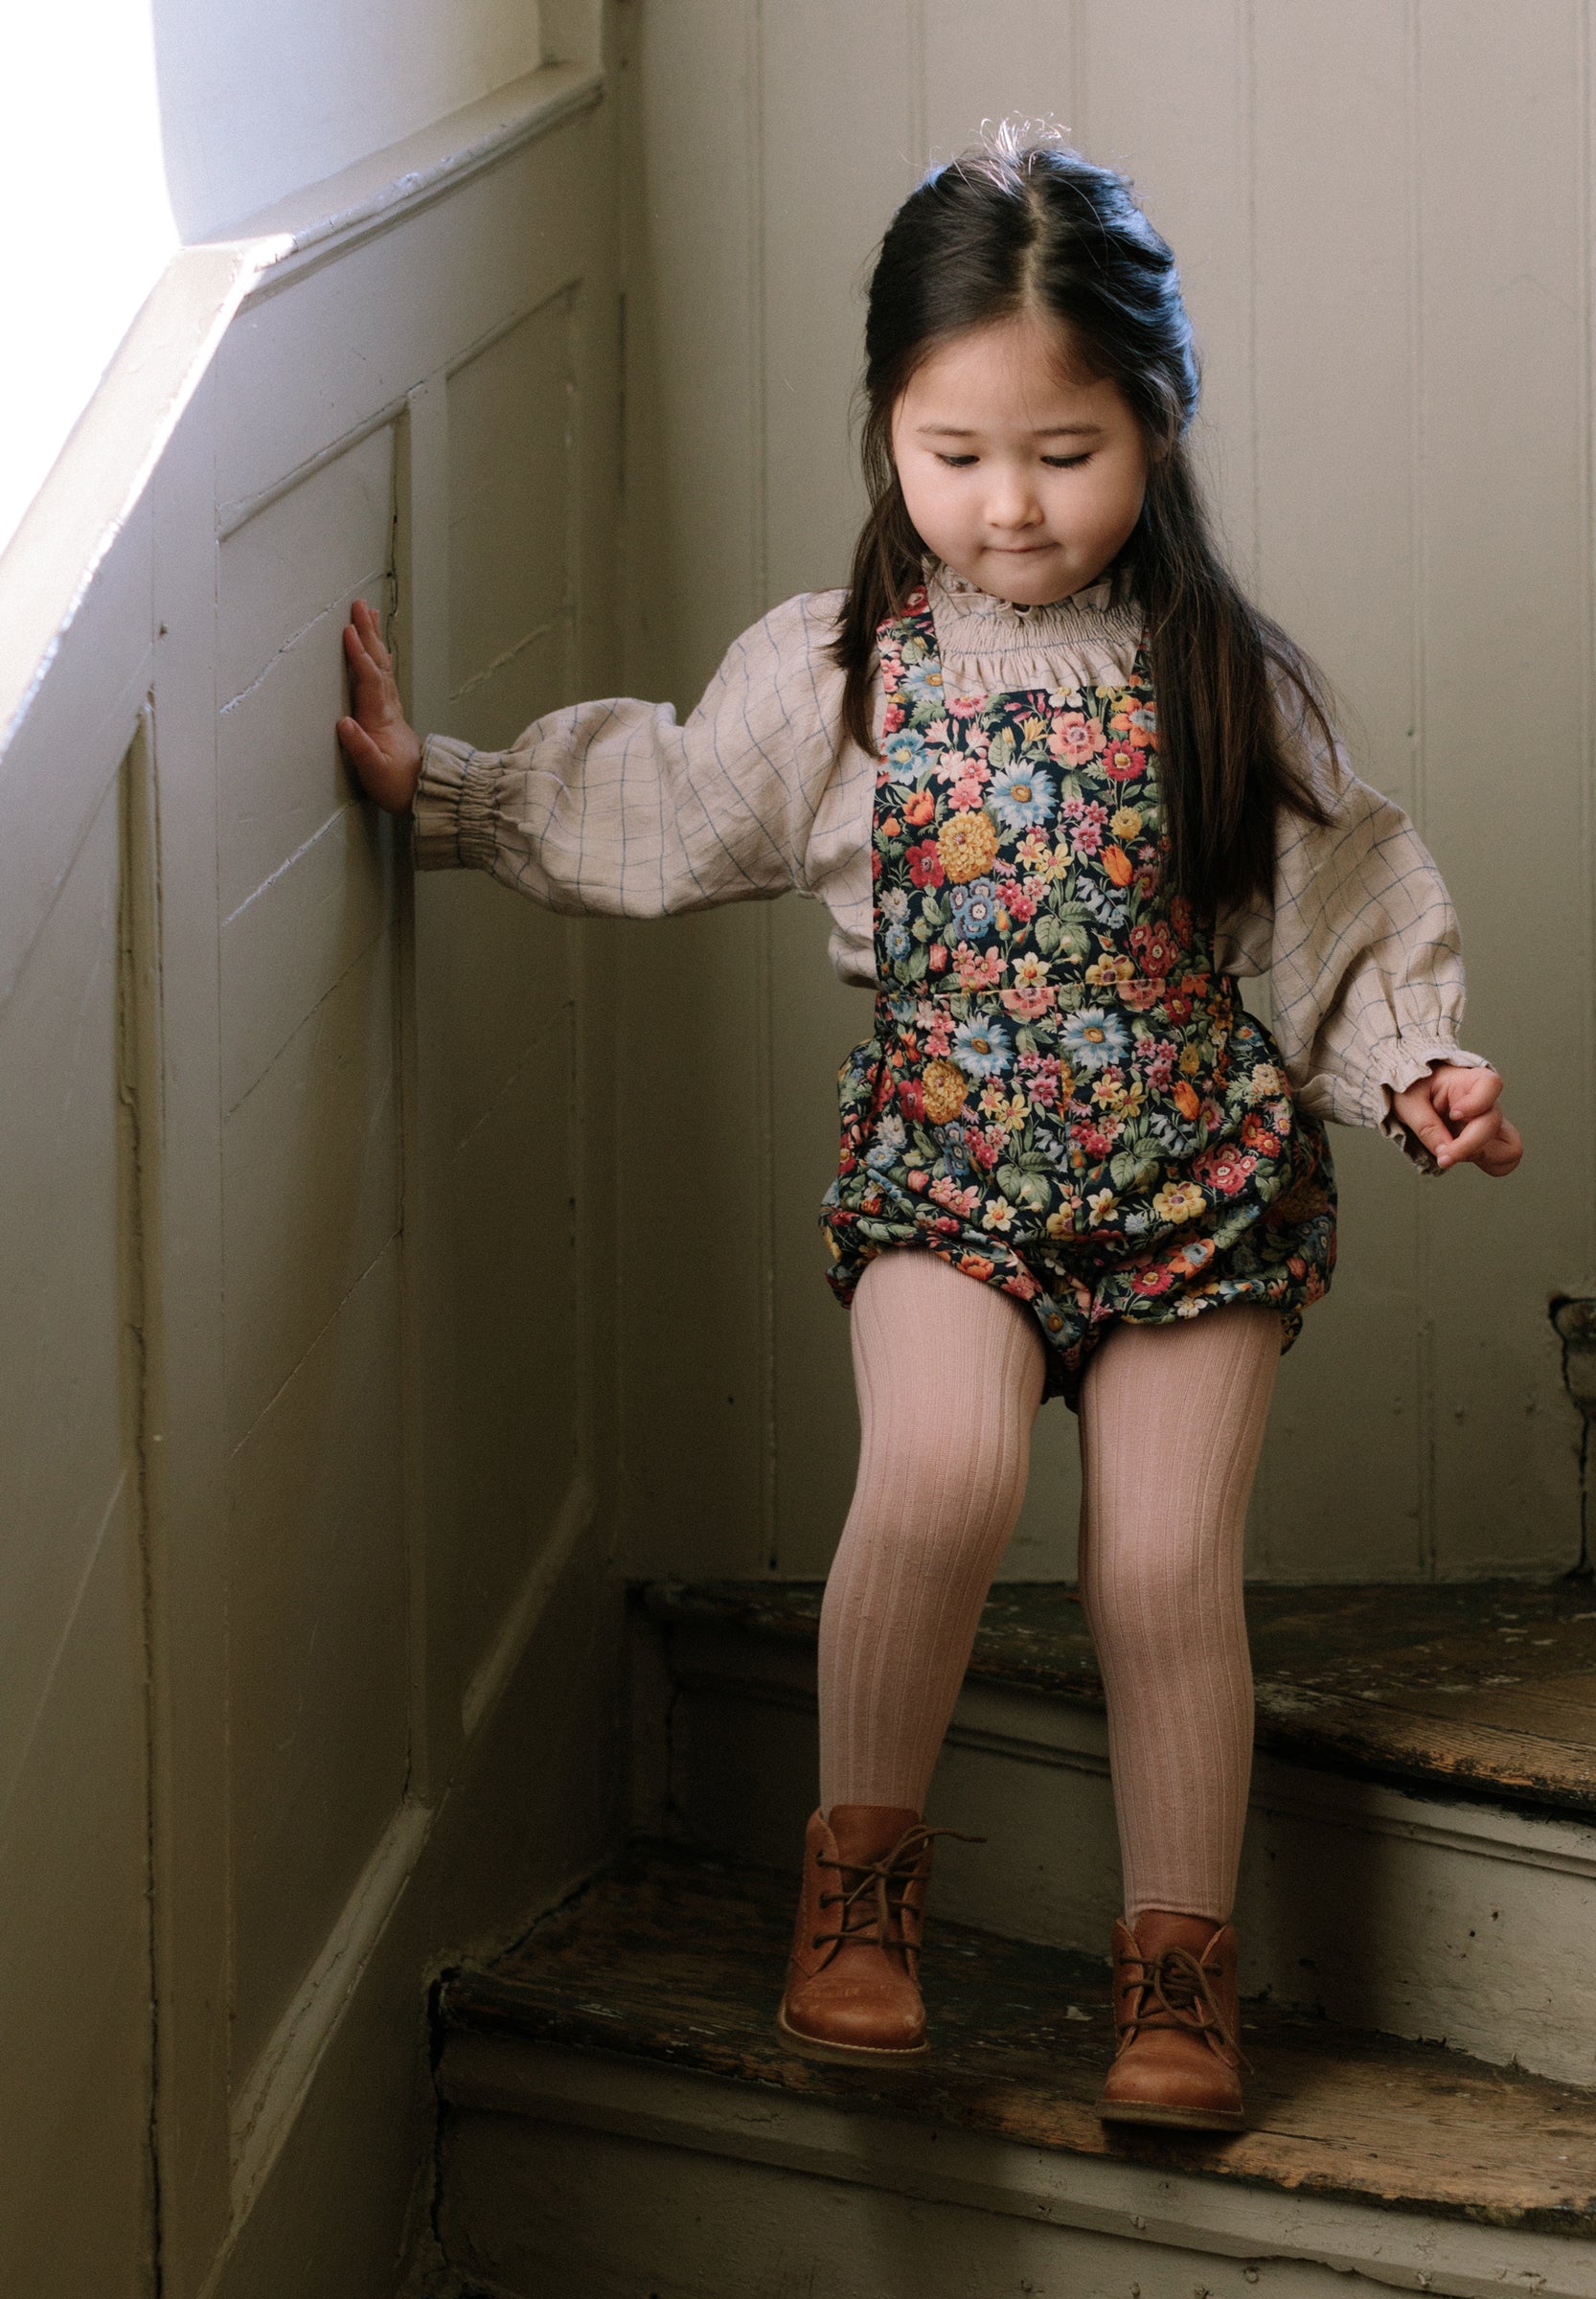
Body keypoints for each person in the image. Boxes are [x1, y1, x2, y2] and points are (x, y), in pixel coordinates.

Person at [338, 124, 1520, 2135]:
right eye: (954, 452)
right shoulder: (838, 675)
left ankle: (1177, 1974)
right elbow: (669, 803)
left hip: (1196, 1189)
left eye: (1065, 452)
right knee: (941, 1475)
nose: (1010, 503)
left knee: (1161, 1566)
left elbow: (1339, 908)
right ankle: (860, 1899)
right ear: (887, 424)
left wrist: (1417, 1070)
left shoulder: (1223, 678)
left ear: (1156, 425)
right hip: (950, 1179)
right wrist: (443, 789)